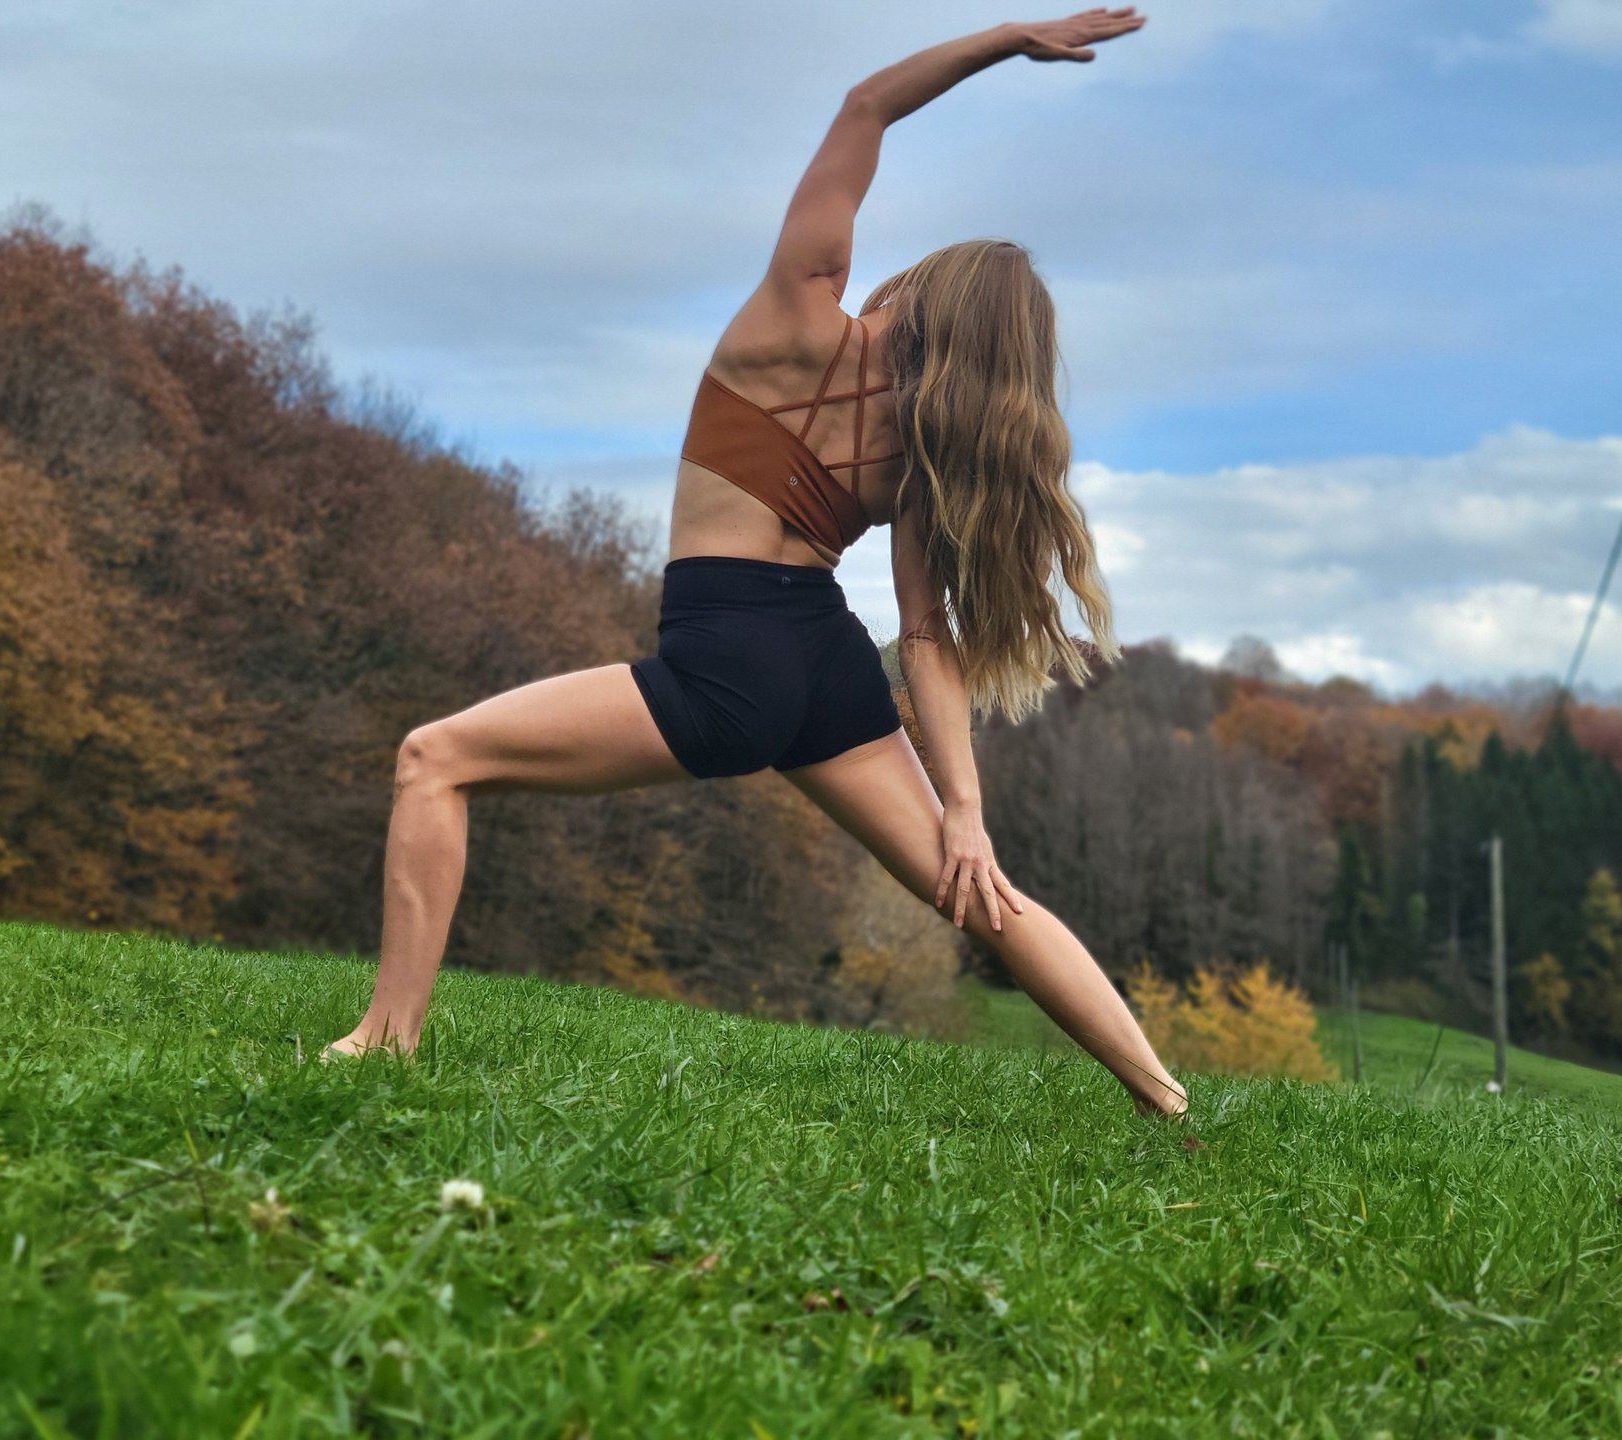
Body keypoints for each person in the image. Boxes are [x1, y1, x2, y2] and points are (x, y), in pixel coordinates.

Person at [325, 9, 1189, 1120]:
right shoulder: (922, 452)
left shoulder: (793, 317)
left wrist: (1004, 41)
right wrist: (963, 811)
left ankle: (386, 1040)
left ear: (920, 291)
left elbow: (865, 105)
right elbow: (922, 637)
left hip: (725, 656)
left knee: (433, 759)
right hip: (823, 663)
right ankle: (1167, 1102)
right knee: (983, 895)